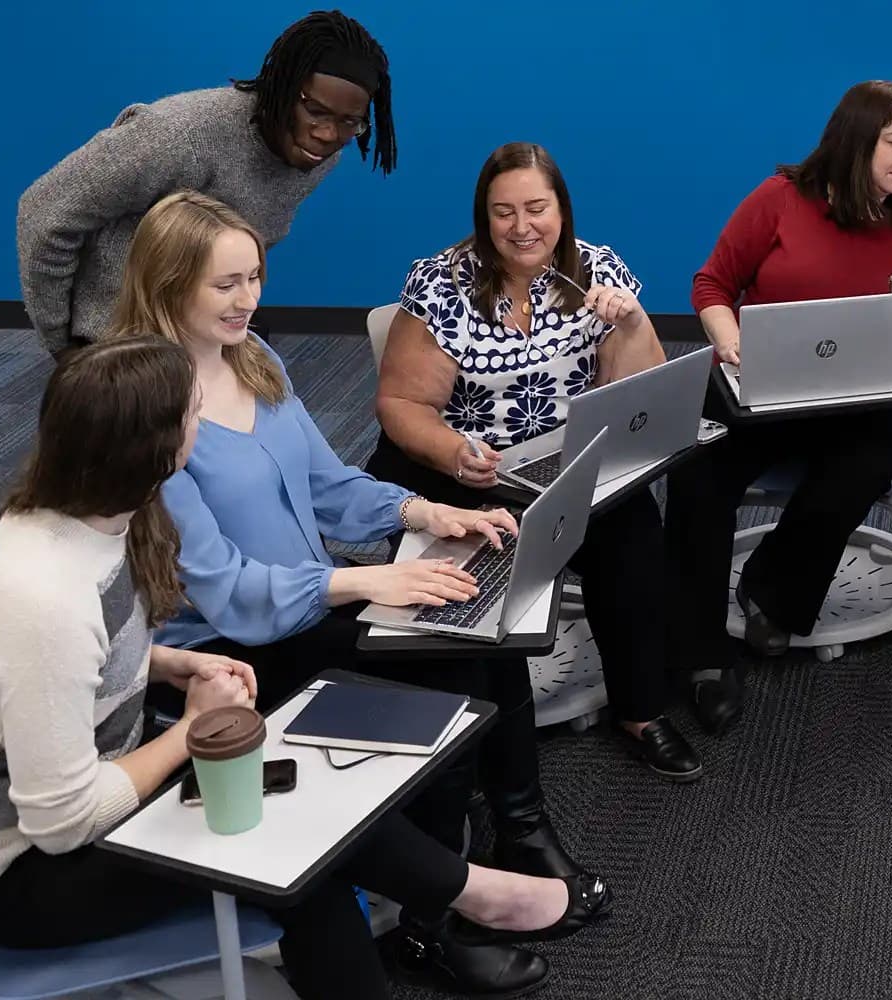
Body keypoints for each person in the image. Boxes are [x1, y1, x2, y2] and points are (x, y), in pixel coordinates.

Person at [0, 338, 596, 1000]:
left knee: (291, 813)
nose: (200, 416)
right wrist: (189, 734)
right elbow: (60, 822)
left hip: (98, 785)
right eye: (189, 410)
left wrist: (167, 664)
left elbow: (74, 668)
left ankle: (468, 897)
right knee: (294, 858)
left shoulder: (91, 524)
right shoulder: (43, 599)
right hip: (22, 878)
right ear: (151, 447)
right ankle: (473, 896)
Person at [108, 191, 606, 996]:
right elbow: (230, 594)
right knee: (450, 681)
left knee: (482, 647)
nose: (248, 300)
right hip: (230, 653)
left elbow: (331, 485)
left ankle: (509, 842)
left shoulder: (252, 360)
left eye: (254, 278)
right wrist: (365, 578)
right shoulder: (147, 412)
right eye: (225, 285)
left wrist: (423, 508)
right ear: (168, 286)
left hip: (308, 608)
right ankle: (435, 922)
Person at [668, 80, 892, 732]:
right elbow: (712, 283)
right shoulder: (779, 201)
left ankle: (772, 591)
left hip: (855, 404)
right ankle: (702, 655)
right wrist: (730, 338)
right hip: (757, 390)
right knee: (697, 479)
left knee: (865, 467)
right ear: (855, 141)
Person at [366, 142, 700, 780]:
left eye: (537, 209)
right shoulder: (442, 283)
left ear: (562, 211)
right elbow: (401, 402)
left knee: (633, 540)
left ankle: (641, 709)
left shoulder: (597, 273)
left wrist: (629, 325)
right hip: (463, 468)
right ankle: (473, 737)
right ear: (484, 217)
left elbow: (644, 395)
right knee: (481, 585)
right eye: (504, 212)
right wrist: (453, 451)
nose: (522, 227)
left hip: (561, 462)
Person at [17, 10, 395, 358]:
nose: (329, 134)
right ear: (280, 89)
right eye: (315, 111)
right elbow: (44, 212)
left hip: (207, 339)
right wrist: (63, 346)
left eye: (350, 122)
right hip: (124, 345)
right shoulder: (180, 134)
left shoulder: (319, 156)